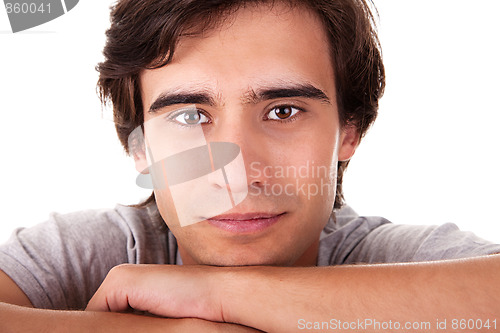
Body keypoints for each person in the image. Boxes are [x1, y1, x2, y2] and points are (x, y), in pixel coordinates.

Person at [1, 0, 499, 332]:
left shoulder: (386, 255)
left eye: (283, 111)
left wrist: (214, 294)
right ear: (141, 148)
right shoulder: (88, 252)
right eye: (191, 115)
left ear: (350, 130)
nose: (235, 175)